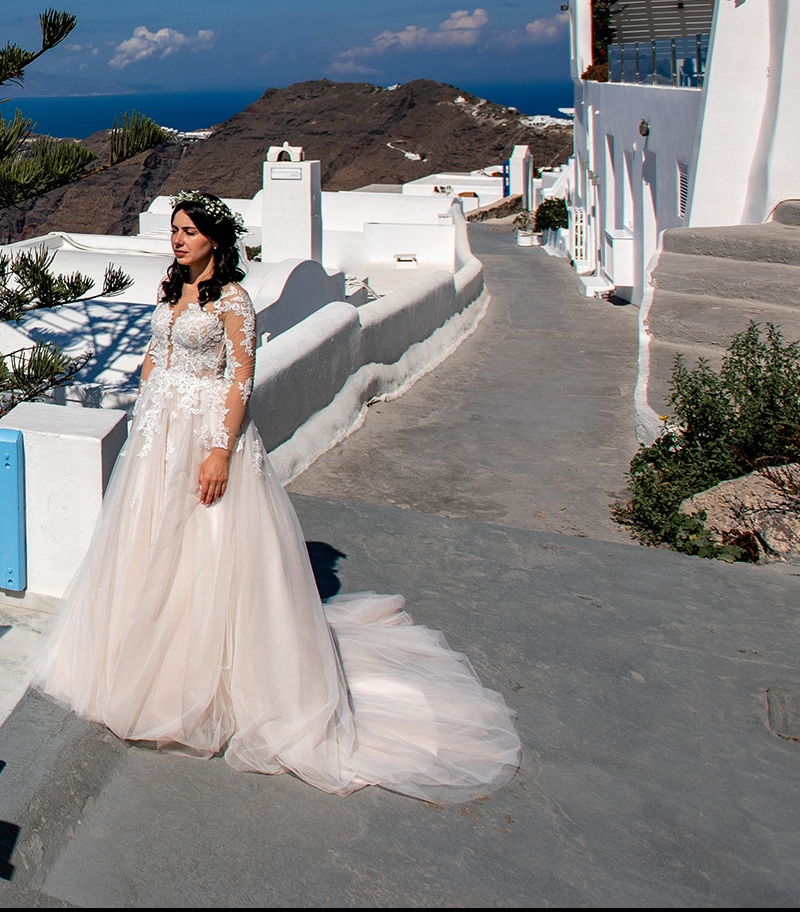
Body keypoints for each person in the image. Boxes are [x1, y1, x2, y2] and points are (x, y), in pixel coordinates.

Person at [26, 191, 520, 803]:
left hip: (204, 432)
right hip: (159, 434)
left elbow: (240, 377)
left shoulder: (234, 300)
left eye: (188, 231)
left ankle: (205, 681)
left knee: (208, 547)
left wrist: (218, 450)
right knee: (150, 540)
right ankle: (138, 661)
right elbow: (161, 347)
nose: (177, 240)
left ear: (214, 237)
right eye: (174, 230)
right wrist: (152, 382)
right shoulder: (169, 288)